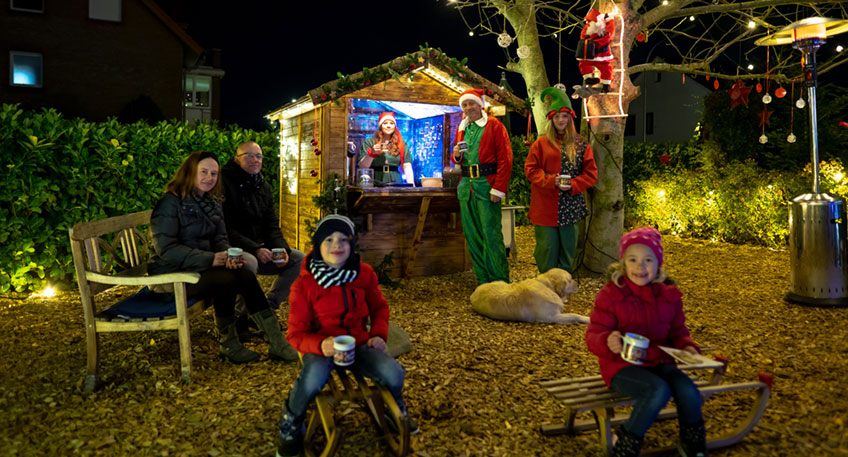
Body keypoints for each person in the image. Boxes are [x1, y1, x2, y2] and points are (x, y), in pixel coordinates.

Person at [275, 215, 416, 456]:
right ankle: (291, 422)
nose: (336, 245)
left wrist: (379, 334)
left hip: (358, 344)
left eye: (343, 239)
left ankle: (395, 411)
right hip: (320, 347)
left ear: (352, 244)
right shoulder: (305, 284)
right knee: (311, 381)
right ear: (318, 245)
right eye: (328, 240)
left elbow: (379, 309)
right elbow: (295, 334)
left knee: (393, 373)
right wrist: (321, 345)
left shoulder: (364, 274)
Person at [148, 151, 295, 364]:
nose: (209, 178)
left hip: (198, 269)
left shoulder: (212, 201)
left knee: (241, 273)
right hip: (170, 275)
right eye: (204, 172)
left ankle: (275, 342)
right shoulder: (170, 203)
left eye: (214, 173)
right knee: (226, 280)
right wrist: (211, 259)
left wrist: (226, 255)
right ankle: (230, 344)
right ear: (190, 172)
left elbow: (220, 239)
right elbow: (166, 249)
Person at [585, 227, 707, 457]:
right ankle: (626, 443)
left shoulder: (668, 296)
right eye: (633, 259)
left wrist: (687, 347)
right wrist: (607, 340)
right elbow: (593, 334)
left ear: (658, 264)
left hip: (660, 362)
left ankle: (692, 442)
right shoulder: (612, 295)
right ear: (623, 263)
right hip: (621, 366)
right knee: (657, 390)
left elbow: (678, 332)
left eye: (648, 260)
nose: (640, 267)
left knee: (688, 391)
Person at [221, 141, 304, 357]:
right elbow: (225, 228)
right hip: (233, 249)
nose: (256, 160)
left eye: (259, 156)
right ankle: (240, 318)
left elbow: (271, 225)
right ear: (236, 159)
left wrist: (281, 249)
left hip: (258, 247)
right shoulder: (223, 184)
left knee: (299, 259)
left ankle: (266, 307)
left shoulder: (262, 185)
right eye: (249, 156)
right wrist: (256, 249)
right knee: (249, 262)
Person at [525, 87, 598, 274]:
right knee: (546, 248)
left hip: (570, 206)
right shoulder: (540, 144)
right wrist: (551, 181)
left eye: (564, 116)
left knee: (568, 249)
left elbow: (590, 174)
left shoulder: (581, 145)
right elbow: (531, 170)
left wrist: (573, 184)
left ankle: (563, 282)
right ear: (551, 119)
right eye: (557, 117)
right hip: (545, 206)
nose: (560, 120)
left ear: (570, 118)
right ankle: (546, 283)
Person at [451, 88, 513, 285]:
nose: (468, 107)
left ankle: (499, 282)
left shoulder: (494, 125)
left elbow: (505, 159)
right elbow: (458, 158)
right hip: (466, 188)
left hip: (487, 187)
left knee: (491, 235)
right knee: (472, 237)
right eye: (465, 104)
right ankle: (483, 282)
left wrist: (499, 188)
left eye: (472, 103)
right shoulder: (462, 128)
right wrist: (456, 156)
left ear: (480, 105)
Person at [358, 112, 414, 186]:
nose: (388, 126)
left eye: (391, 123)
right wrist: (372, 154)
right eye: (385, 123)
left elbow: (407, 166)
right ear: (380, 126)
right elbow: (362, 166)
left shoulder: (401, 144)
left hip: (395, 182)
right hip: (375, 181)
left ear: (395, 126)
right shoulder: (370, 143)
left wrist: (412, 185)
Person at [577, 8, 616, 92]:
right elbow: (611, 32)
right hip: (601, 57)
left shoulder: (587, 31)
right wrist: (610, 20)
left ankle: (588, 79)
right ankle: (605, 85)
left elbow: (582, 35)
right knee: (606, 69)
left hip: (588, 55)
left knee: (584, 65)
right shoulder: (604, 34)